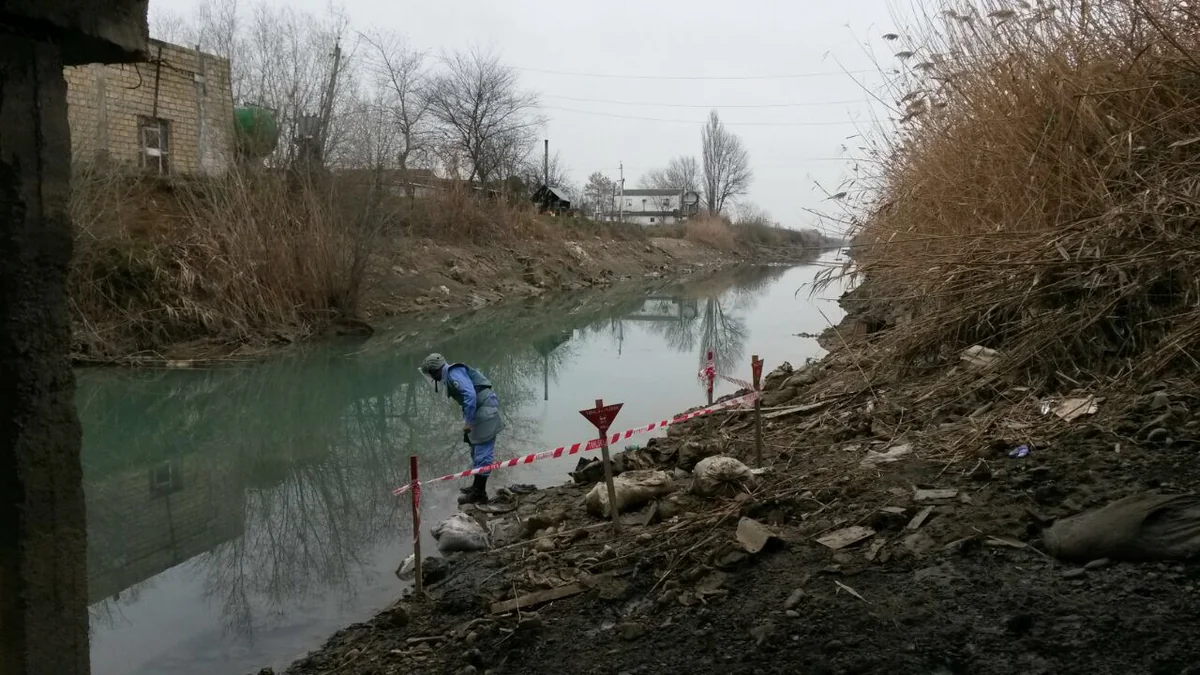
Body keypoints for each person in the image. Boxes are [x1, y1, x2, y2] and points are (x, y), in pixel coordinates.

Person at [420, 353, 504, 505]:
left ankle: (480, 493)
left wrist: (469, 422)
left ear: (434, 371)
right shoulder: (450, 375)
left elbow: (470, 395)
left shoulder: (454, 373)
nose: (433, 378)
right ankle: (476, 486)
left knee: (483, 452)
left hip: (484, 409)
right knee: (475, 450)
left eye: (431, 374)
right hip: (478, 410)